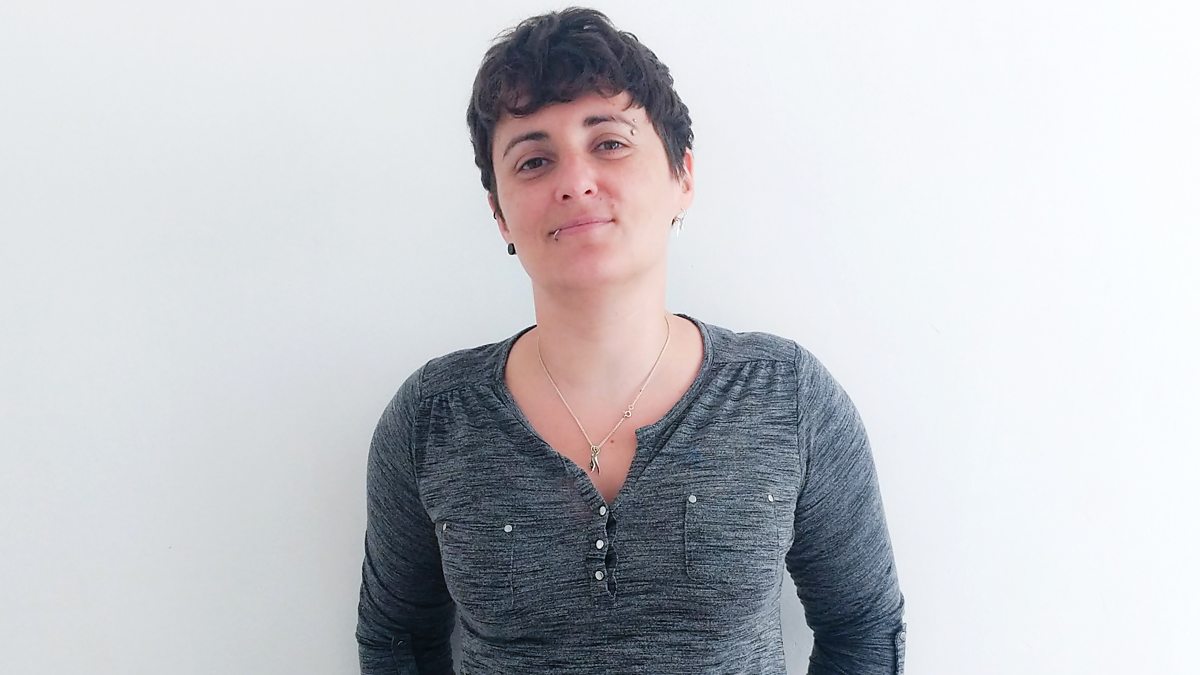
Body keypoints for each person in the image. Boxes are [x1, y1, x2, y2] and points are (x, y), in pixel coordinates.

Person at [356, 8, 905, 674]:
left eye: (610, 143)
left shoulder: (787, 397)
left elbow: (863, 627)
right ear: (499, 212)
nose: (575, 182)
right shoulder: (431, 419)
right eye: (534, 160)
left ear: (682, 177)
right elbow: (397, 639)